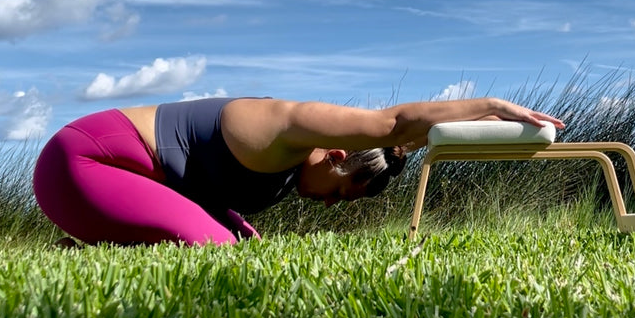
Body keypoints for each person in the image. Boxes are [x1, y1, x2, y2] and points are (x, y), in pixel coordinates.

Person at [32, 96, 565, 246]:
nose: (331, 206)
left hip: (129, 180)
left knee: (243, 239)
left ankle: (91, 242)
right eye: (341, 194)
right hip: (84, 160)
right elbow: (393, 124)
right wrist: (492, 107)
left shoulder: (287, 174)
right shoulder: (285, 128)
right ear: (336, 156)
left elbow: (406, 140)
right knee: (216, 254)